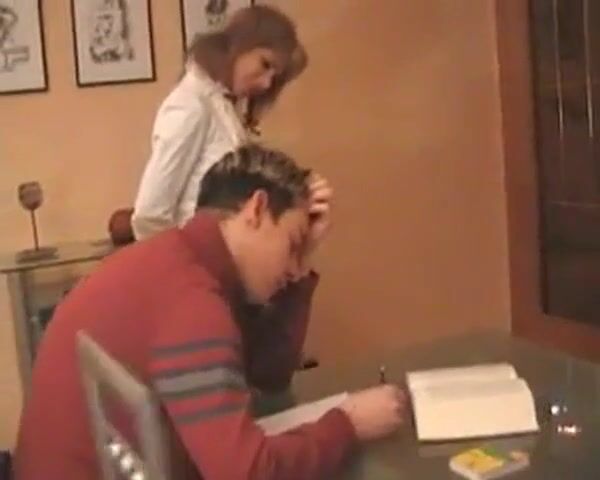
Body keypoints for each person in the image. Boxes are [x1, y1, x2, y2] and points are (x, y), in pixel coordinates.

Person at [14, 144, 407, 480]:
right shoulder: (192, 301)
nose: (292, 268)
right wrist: (348, 425)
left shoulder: (179, 259)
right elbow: (245, 473)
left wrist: (300, 267)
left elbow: (269, 375)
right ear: (256, 209)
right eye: (292, 244)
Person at [131, 5, 307, 241]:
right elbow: (150, 214)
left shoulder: (222, 106)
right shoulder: (192, 104)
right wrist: (180, 261)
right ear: (241, 45)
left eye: (274, 77)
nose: (266, 84)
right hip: (195, 256)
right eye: (265, 64)